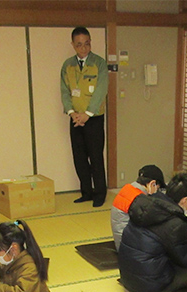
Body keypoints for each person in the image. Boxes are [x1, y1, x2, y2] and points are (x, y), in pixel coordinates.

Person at [118, 172, 187, 292]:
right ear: (185, 200)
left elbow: (160, 237)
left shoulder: (148, 205)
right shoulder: (175, 222)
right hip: (151, 284)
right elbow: (186, 260)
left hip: (127, 275)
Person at [60, 26, 108, 207]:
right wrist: (72, 113)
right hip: (75, 119)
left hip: (93, 118)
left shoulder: (99, 63)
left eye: (87, 44)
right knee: (79, 158)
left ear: (90, 43)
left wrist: (87, 114)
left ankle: (99, 194)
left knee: (95, 157)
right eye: (79, 45)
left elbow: (101, 90)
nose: (83, 48)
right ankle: (86, 192)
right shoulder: (68, 65)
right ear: (73, 45)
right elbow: (65, 91)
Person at [111, 165, 165, 251]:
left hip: (122, 241)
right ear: (152, 184)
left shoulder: (128, 188)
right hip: (128, 248)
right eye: (157, 188)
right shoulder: (139, 199)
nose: (156, 192)